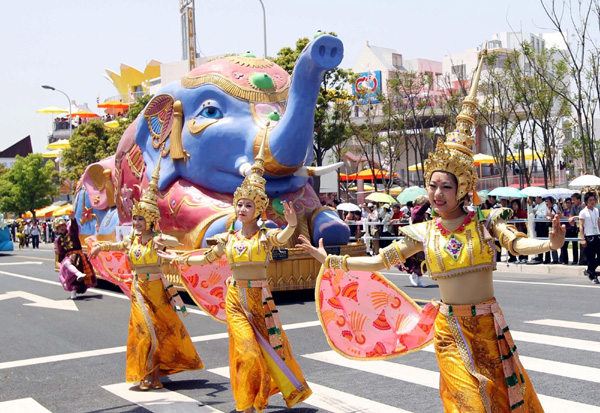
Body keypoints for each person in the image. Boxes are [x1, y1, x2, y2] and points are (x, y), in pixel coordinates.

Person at [298, 50, 564, 412]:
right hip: (449, 329)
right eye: (433, 186)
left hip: (487, 327)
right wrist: (331, 261)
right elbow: (379, 262)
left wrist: (547, 243)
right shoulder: (422, 232)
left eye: (446, 187)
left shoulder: (486, 223)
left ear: (464, 188)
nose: (437, 194)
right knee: (466, 404)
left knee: (502, 402)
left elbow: (516, 244)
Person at [158, 139, 311, 413]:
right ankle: (246, 404)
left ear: (259, 210)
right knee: (247, 351)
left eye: (248, 206)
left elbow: (283, 237)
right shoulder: (228, 237)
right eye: (239, 204)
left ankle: (261, 394)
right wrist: (177, 257)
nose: (241, 209)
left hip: (259, 300)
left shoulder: (264, 237)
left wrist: (290, 224)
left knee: (268, 350)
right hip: (235, 300)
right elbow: (205, 258)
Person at [89, 160, 203, 390]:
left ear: (150, 220)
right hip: (138, 291)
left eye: (141, 219)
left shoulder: (155, 240)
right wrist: (101, 247)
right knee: (142, 331)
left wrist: (164, 239)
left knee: (161, 331)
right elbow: (119, 246)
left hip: (158, 292)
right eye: (135, 219)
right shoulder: (133, 239)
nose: (137, 223)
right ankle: (146, 373)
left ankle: (156, 372)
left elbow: (175, 242)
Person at [54, 214, 97, 299]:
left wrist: (73, 219)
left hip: (78, 256)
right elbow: (61, 252)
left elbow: (74, 228)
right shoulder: (59, 240)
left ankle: (78, 276)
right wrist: (59, 262)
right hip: (69, 257)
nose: (62, 228)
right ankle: (77, 279)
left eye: (62, 225)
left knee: (74, 275)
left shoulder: (71, 233)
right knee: (67, 269)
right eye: (59, 227)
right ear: (57, 229)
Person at [397, 195, 429, 287]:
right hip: (415, 238)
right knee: (414, 258)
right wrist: (427, 203)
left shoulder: (425, 213)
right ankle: (413, 276)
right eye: (422, 202)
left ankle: (420, 279)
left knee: (422, 258)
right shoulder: (415, 210)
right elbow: (418, 214)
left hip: (422, 238)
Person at [576, 191, 600, 283]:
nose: (592, 202)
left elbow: (598, 223)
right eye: (590, 200)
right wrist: (583, 239)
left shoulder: (596, 210)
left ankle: (590, 270)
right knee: (591, 257)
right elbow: (581, 226)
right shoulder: (583, 212)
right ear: (586, 201)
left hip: (597, 235)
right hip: (589, 236)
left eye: (593, 200)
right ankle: (592, 276)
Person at [508, 199, 528, 264]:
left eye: (515, 204)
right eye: (513, 205)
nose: (514, 206)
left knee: (523, 244)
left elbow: (525, 218)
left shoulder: (521, 211)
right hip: (515, 230)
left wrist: (519, 218)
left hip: (522, 229)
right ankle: (515, 257)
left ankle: (524, 257)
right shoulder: (512, 212)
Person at [543, 197, 560, 264]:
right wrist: (547, 217)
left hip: (555, 227)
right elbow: (545, 215)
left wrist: (549, 209)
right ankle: (547, 259)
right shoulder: (545, 207)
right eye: (545, 201)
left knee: (554, 242)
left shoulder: (555, 206)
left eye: (547, 201)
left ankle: (555, 259)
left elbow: (552, 215)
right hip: (548, 226)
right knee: (548, 242)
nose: (546, 203)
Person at [570, 193, 584, 265]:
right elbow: (571, 215)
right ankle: (578, 260)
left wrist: (573, 217)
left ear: (578, 200)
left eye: (574, 200)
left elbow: (582, 216)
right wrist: (572, 217)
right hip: (579, 226)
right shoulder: (573, 207)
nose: (572, 201)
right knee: (576, 243)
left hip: (587, 227)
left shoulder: (583, 206)